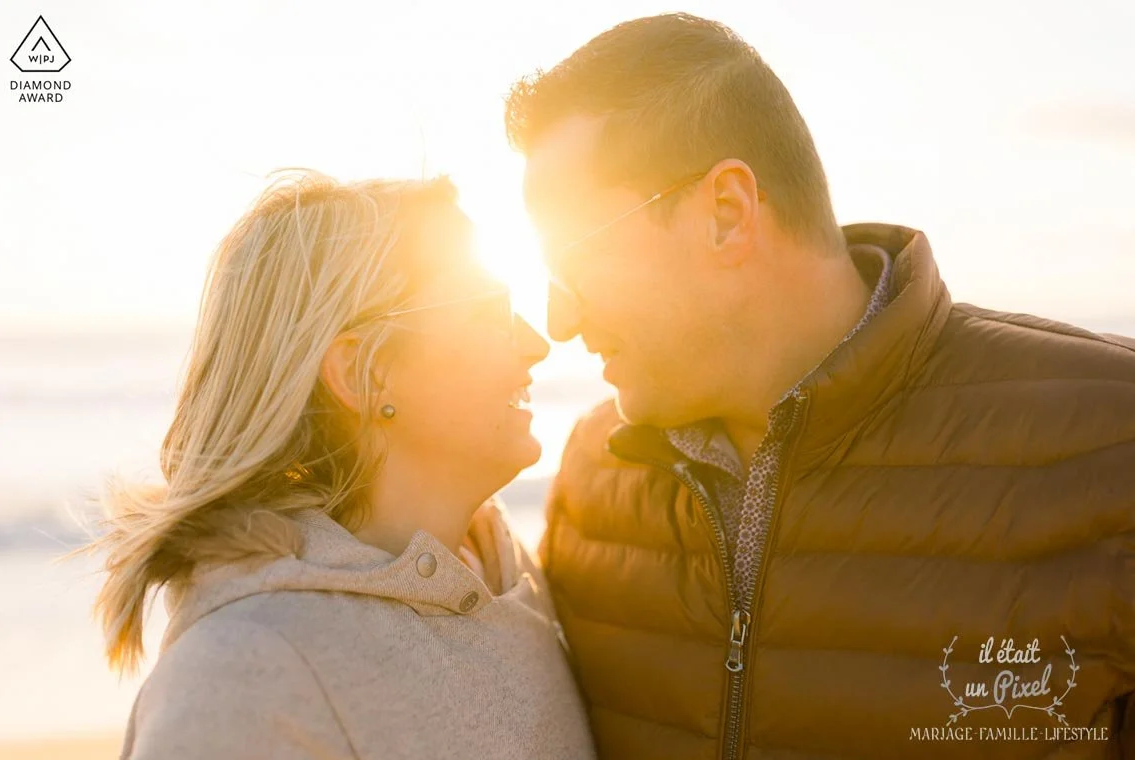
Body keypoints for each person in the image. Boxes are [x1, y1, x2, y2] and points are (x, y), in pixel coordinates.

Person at [505, 12, 1135, 758]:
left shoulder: (1114, 445)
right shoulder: (595, 480)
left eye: (575, 263)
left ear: (726, 214)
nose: (559, 321)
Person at [87, 171, 597, 759]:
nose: (536, 344)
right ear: (363, 373)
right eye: (490, 313)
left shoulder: (509, 571)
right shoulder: (240, 681)